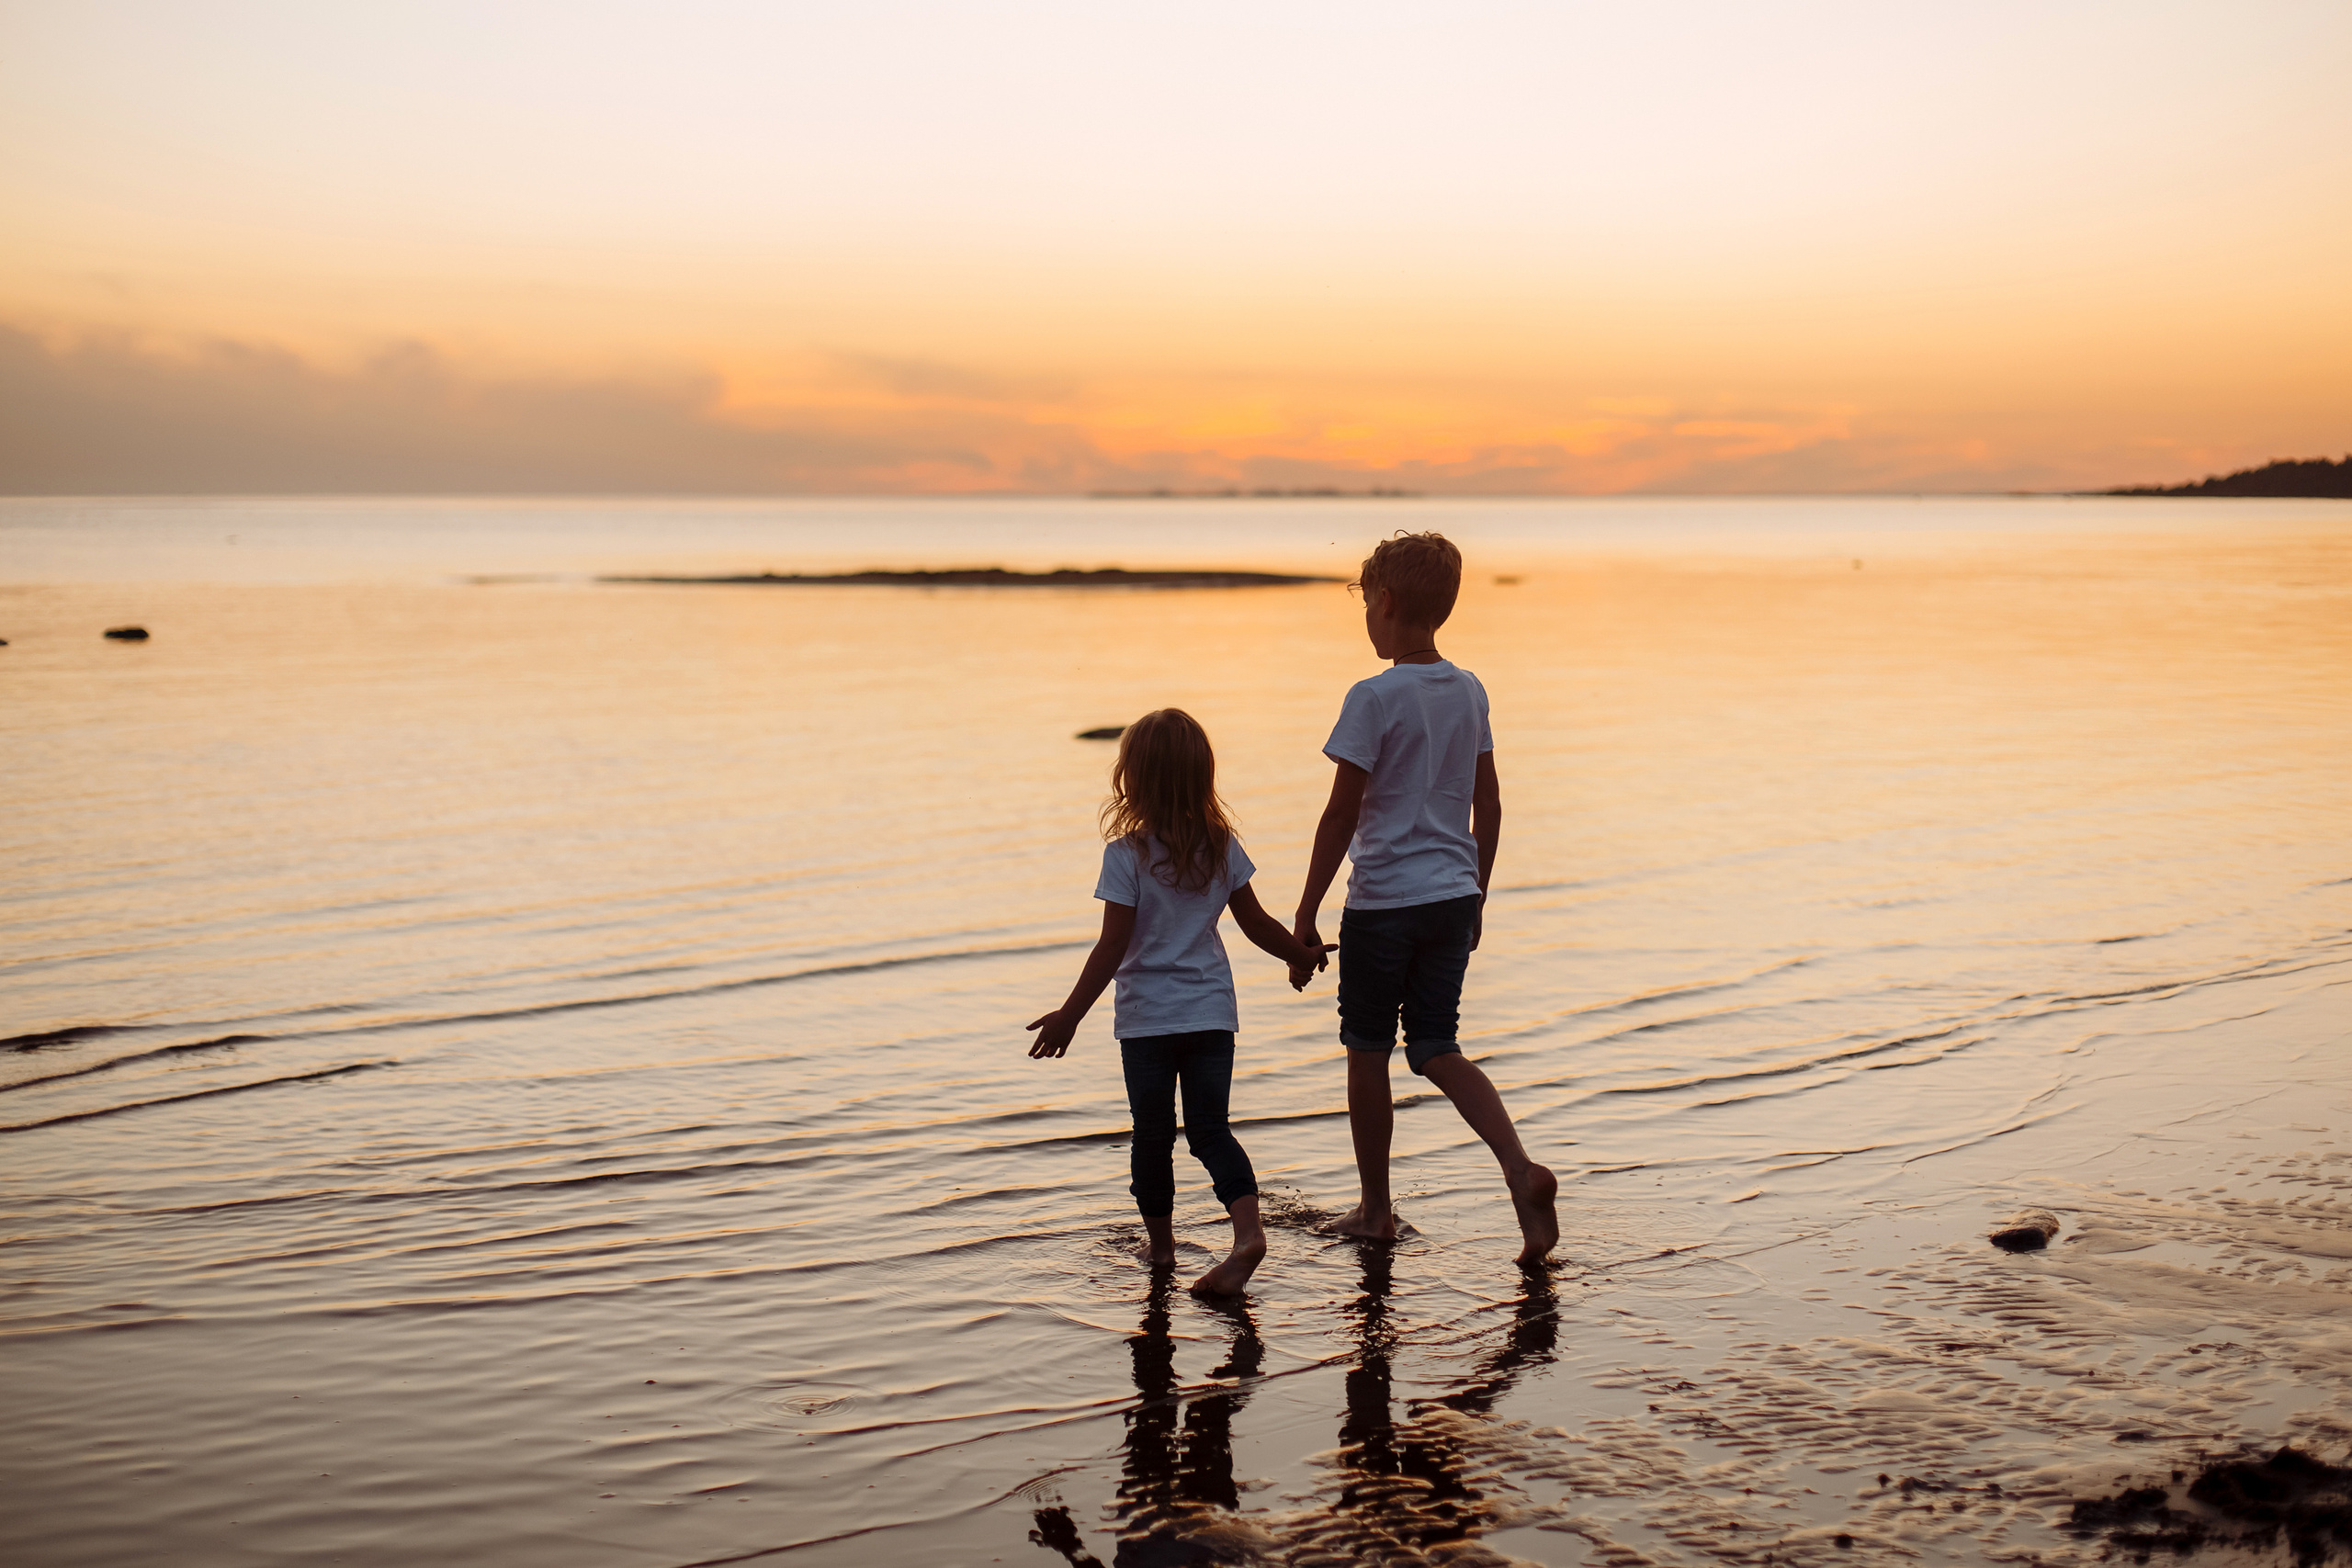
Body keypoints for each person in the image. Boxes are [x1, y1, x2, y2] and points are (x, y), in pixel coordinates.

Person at [1289, 531, 1558, 1264]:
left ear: (1386, 602)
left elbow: (1341, 813)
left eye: (1366, 605)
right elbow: (1490, 806)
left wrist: (1307, 910)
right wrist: (1477, 896)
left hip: (1383, 905)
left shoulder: (1372, 697)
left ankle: (1376, 1211)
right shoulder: (1470, 689)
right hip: (1452, 896)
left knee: (1367, 1051)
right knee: (1439, 1046)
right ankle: (1518, 1170)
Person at [1027, 707, 1335, 1297]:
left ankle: (1163, 1249)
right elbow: (1255, 924)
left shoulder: (1126, 856)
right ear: (1200, 778)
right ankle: (1248, 1234)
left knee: (1152, 1134)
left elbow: (1113, 944)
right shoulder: (1220, 846)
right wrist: (1299, 955)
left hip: (1147, 1020)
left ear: (1134, 779)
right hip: (1211, 1015)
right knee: (1211, 1131)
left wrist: (1070, 1014)